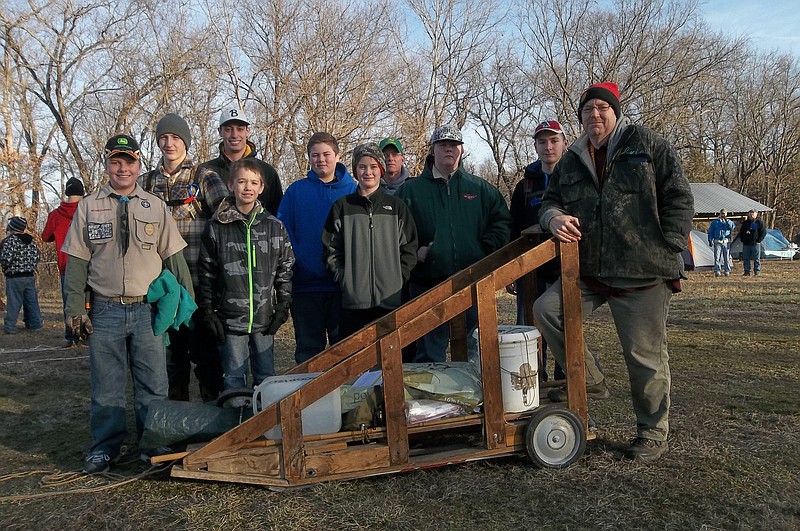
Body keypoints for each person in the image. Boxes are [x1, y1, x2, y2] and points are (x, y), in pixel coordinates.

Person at [533, 82, 693, 461]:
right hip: (589, 269)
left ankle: (652, 432)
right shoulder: (572, 157)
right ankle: (590, 380)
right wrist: (552, 217)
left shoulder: (647, 144)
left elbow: (679, 196)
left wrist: (667, 243)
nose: (595, 115)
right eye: (588, 110)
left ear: (615, 112)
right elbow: (550, 200)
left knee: (644, 357)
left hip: (643, 272)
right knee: (546, 310)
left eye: (602, 108)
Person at [62, 133, 193, 474]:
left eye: (129, 162)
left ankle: (154, 444)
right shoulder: (88, 207)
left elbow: (174, 257)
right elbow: (76, 262)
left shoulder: (155, 206)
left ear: (139, 165)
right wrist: (74, 310)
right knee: (107, 384)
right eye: (115, 162)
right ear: (106, 165)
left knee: (153, 382)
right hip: (104, 310)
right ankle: (105, 448)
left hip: (146, 311)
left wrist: (187, 304)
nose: (123, 168)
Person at [397, 124, 512, 364]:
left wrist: (485, 251)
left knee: (475, 351)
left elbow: (502, 221)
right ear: (433, 150)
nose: (449, 149)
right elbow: (394, 231)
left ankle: (475, 399)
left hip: (474, 281)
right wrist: (414, 253)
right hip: (427, 283)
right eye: (443, 145)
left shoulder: (480, 189)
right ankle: (431, 400)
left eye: (454, 145)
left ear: (461, 150)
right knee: (429, 354)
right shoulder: (410, 191)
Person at [139, 113, 228, 402]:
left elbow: (227, 219)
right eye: (163, 138)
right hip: (160, 288)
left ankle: (211, 418)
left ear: (185, 142)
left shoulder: (203, 177)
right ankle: (175, 421)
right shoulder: (145, 182)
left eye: (175, 138)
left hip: (199, 284)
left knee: (206, 358)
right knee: (171, 360)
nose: (169, 143)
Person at [197, 158, 295, 390]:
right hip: (230, 319)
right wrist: (208, 310)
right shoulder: (217, 226)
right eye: (242, 181)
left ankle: (266, 424)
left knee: (266, 379)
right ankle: (237, 422)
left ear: (261, 188)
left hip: (264, 318)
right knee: (233, 378)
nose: (247, 187)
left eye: (253, 182)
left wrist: (283, 305)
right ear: (231, 185)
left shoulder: (274, 226)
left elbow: (286, 268)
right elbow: (207, 272)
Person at [322, 142, 418, 338]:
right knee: (354, 363)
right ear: (355, 171)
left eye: (374, 167)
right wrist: (346, 280)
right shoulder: (342, 207)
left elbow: (409, 248)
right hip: (353, 304)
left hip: (390, 302)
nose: (368, 172)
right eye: (362, 167)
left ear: (381, 170)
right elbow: (330, 251)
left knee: (390, 360)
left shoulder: (397, 207)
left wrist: (398, 278)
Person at [277, 132, 357, 363]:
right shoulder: (296, 191)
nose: (321, 159)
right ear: (309, 158)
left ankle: (343, 396)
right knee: (308, 351)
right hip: (305, 287)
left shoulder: (352, 191)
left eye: (326, 154)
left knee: (344, 351)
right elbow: (283, 231)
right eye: (315, 155)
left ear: (337, 156)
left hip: (342, 288)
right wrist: (299, 259)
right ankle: (309, 398)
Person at [508, 120, 568, 381]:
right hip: (529, 272)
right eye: (542, 142)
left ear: (565, 143)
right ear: (535, 146)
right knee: (529, 329)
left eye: (554, 140)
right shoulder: (525, 186)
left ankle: (566, 380)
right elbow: (514, 229)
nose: (548, 147)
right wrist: (511, 272)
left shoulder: (575, 180)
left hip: (566, 271)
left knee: (564, 326)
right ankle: (534, 381)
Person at [197, 104, 283, 216]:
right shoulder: (206, 171)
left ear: (247, 131)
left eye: (240, 129)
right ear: (220, 131)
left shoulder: (267, 172)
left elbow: (277, 213)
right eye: (228, 129)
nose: (234, 135)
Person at [42, 178, 85, 346]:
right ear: (82, 193)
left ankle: (71, 337)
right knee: (91, 301)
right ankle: (87, 336)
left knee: (69, 303)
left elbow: (45, 237)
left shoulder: (55, 215)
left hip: (65, 265)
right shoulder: (88, 210)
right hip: (89, 264)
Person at [1, 216, 42, 335]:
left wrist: (5, 267)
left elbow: (6, 258)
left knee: (14, 302)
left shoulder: (11, 240)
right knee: (31, 301)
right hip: (29, 276)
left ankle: (10, 326)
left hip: (14, 277)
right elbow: (37, 257)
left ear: (12, 227)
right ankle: (35, 324)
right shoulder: (31, 241)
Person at [739, 209, 766, 277]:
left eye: (753, 213)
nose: (751, 215)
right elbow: (741, 232)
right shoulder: (745, 223)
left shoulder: (759, 222)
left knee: (756, 259)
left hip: (755, 244)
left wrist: (759, 240)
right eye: (750, 213)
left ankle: (757, 272)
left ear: (756, 214)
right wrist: (743, 240)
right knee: (746, 258)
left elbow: (763, 232)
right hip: (746, 244)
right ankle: (747, 271)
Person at [708, 209, 735, 277]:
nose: (723, 215)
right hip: (717, 241)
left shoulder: (728, 222)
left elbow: (732, 227)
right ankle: (717, 270)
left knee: (726, 257)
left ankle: (727, 270)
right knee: (717, 257)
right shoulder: (715, 222)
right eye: (722, 213)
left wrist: (727, 221)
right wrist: (710, 239)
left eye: (724, 214)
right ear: (720, 214)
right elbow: (710, 231)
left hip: (726, 241)